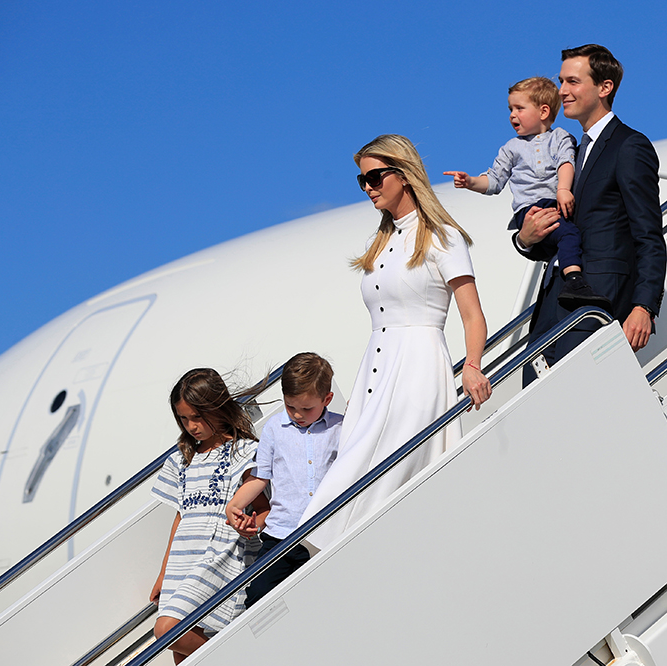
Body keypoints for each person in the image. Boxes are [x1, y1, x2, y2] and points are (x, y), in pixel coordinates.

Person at [297, 134, 492, 551]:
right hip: (376, 371)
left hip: (418, 368)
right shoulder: (380, 243)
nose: (367, 187)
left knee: (383, 475)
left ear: (403, 175)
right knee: (352, 470)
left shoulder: (442, 237)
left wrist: (473, 364)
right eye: (360, 180)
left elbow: (472, 314)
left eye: (374, 177)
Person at [515, 45, 666, 383]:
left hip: (599, 298)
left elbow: (649, 235)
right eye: (560, 81)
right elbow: (566, 230)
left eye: (572, 81)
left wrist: (644, 307)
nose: (562, 91)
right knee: (535, 403)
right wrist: (525, 240)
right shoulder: (568, 149)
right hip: (554, 297)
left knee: (577, 398)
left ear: (604, 87)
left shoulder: (629, 146)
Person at [444, 76, 610, 312]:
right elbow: (494, 181)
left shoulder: (560, 137)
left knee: (571, 232)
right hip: (530, 210)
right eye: (510, 109)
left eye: (520, 108)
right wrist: (470, 181)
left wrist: (563, 190)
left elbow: (566, 162)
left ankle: (568, 276)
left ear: (543, 112)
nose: (512, 115)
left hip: (556, 203)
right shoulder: (511, 147)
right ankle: (573, 280)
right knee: (569, 233)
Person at [149, 368, 269, 664]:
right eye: (184, 419)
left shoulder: (243, 452)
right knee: (182, 655)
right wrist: (164, 573)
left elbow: (264, 507)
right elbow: (180, 518)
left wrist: (251, 527)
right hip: (183, 558)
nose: (191, 426)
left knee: (167, 630)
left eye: (197, 416)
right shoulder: (180, 460)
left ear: (217, 407)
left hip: (220, 554)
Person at [224, 352, 343, 607]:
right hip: (282, 535)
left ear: (327, 399)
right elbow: (260, 477)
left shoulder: (341, 428)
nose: (297, 414)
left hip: (328, 532)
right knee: (258, 597)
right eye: (290, 406)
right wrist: (233, 506)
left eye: (307, 408)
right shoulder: (274, 428)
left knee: (325, 598)